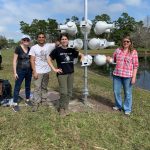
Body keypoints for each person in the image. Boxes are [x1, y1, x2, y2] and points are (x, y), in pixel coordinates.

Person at [47, 33, 84, 117]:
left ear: (68, 40)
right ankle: (61, 109)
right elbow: (48, 59)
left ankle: (65, 107)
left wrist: (82, 57)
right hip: (62, 74)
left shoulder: (71, 49)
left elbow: (80, 54)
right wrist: (54, 69)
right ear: (60, 41)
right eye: (62, 39)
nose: (64, 40)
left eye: (65, 39)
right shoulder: (57, 50)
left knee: (69, 92)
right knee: (64, 92)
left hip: (71, 73)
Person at [107, 36, 139, 115]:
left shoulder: (133, 52)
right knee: (116, 91)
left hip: (128, 76)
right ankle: (118, 105)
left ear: (130, 43)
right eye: (124, 41)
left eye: (128, 41)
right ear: (122, 42)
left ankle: (127, 108)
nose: (126, 43)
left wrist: (134, 77)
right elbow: (113, 60)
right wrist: (108, 59)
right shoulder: (117, 50)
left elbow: (135, 66)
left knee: (127, 93)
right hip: (117, 74)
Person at [29, 32, 56, 112]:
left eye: (42, 37)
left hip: (46, 71)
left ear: (45, 38)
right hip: (38, 71)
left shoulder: (49, 46)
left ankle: (44, 101)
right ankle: (35, 103)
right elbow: (32, 60)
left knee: (44, 87)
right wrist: (34, 71)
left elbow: (58, 43)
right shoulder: (34, 48)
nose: (41, 38)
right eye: (39, 37)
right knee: (37, 88)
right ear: (37, 39)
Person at [12, 35, 33, 112]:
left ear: (29, 41)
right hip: (20, 71)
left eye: (27, 40)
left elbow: (32, 60)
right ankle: (15, 104)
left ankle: (27, 100)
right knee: (17, 87)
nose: (26, 41)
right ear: (22, 40)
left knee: (28, 86)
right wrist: (15, 72)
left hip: (29, 71)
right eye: (24, 40)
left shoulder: (30, 49)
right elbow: (14, 61)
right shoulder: (18, 48)